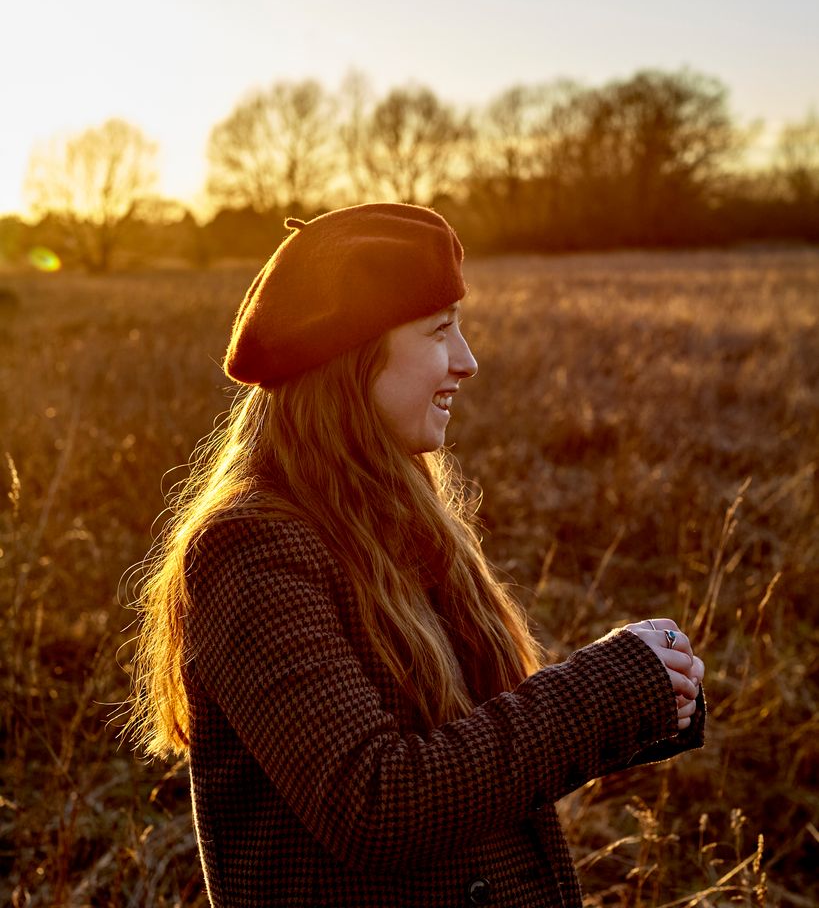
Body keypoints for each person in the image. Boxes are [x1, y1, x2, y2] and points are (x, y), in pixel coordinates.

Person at [128, 203, 705, 908]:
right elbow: (376, 804)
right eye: (439, 331)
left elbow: (474, 749)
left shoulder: (394, 518)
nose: (467, 361)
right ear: (351, 355)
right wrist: (604, 691)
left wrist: (649, 696)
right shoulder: (250, 549)